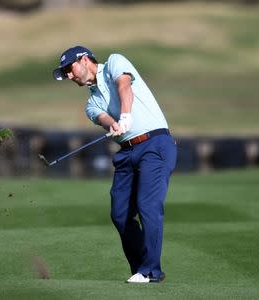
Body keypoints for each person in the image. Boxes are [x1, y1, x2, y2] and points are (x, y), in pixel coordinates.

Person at [52, 46, 177, 283]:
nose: (69, 76)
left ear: (85, 60)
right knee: (120, 214)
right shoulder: (91, 104)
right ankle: (140, 267)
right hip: (127, 153)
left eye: (69, 69)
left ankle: (150, 271)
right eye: (65, 73)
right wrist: (114, 124)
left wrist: (126, 115)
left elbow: (124, 86)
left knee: (148, 205)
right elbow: (103, 117)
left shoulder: (114, 63)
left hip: (155, 144)